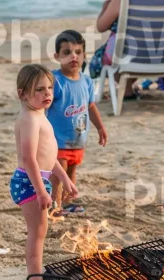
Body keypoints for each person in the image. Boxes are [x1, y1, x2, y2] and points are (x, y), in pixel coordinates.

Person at [11, 64, 78, 280]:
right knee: (36, 233)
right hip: (30, 182)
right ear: (23, 94)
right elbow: (29, 159)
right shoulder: (29, 118)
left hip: (39, 179)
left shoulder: (40, 115)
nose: (47, 93)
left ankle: (37, 276)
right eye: (39, 89)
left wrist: (65, 179)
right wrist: (41, 190)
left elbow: (47, 157)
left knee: (40, 230)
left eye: (49, 87)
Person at [48, 30, 108, 215]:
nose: (73, 56)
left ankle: (67, 202)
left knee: (72, 172)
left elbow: (90, 107)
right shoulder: (54, 80)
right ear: (57, 56)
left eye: (78, 52)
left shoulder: (87, 82)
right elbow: (42, 105)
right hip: (58, 139)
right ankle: (54, 205)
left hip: (78, 139)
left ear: (84, 55)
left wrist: (100, 127)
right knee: (59, 174)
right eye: (67, 52)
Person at [89, 0, 138, 99]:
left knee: (115, 50)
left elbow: (101, 26)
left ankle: (127, 91)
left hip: (126, 56)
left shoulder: (119, 1)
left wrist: (105, 7)